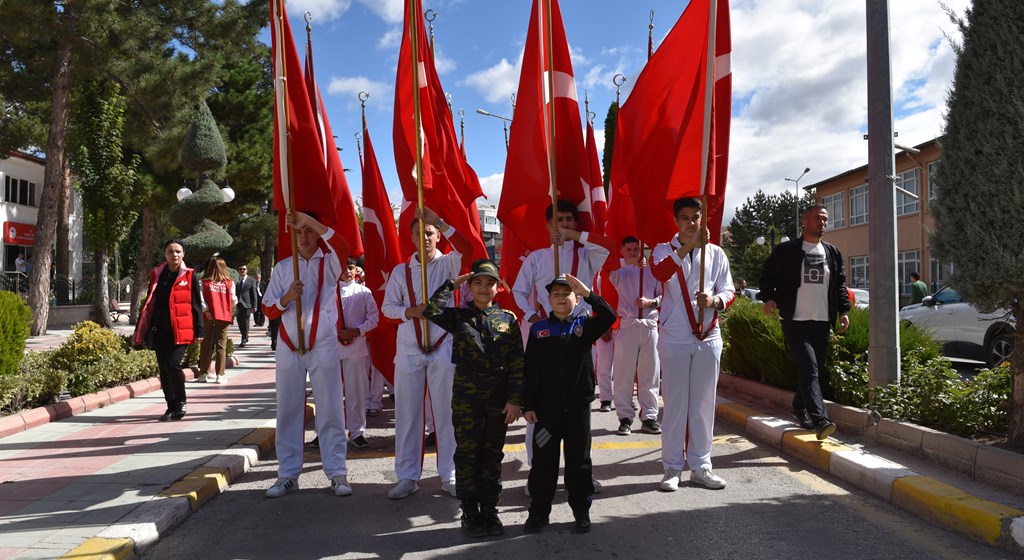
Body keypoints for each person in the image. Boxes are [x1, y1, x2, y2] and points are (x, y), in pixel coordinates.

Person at [511, 199, 614, 478]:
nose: (565, 224)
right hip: (546, 335)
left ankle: (581, 471)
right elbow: (518, 291)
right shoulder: (537, 257)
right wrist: (532, 314)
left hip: (579, 334)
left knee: (579, 405)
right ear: (548, 226)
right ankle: (538, 470)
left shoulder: (588, 254)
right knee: (540, 403)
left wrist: (572, 237)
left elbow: (607, 245)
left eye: (569, 220)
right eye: (559, 221)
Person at [423, 258, 524, 537]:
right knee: (468, 455)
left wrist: (515, 400)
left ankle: (490, 510)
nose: (483, 288)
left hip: (498, 400)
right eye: (477, 283)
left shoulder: (508, 319)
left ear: (497, 288)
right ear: (469, 287)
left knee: (492, 455)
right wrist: (450, 285)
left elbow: (517, 362)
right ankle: (470, 512)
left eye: (489, 283)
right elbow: (431, 310)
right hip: (467, 399)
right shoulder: (457, 316)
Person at [261, 211, 355, 498]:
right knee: (288, 410)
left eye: (309, 231)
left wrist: (310, 220)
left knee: (329, 409)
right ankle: (288, 474)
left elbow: (343, 246)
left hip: (323, 344)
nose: (303, 237)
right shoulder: (283, 267)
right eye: (299, 232)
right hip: (289, 346)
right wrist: (287, 297)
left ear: (316, 233)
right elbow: (268, 308)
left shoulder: (328, 264)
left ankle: (337, 472)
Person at [381, 207, 472, 500]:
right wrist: (411, 311)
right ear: (411, 237)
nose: (426, 238)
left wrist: (441, 221)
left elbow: (467, 247)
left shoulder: (448, 265)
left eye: (430, 233)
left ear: (437, 236)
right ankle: (407, 476)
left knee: (446, 414)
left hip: (443, 346)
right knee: (408, 415)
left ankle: (450, 474)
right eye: (419, 234)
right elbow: (387, 308)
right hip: (409, 350)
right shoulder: (400, 271)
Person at [651, 197, 735, 492]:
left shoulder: (716, 253)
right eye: (684, 217)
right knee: (675, 404)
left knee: (703, 404)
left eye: (696, 217)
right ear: (676, 221)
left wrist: (715, 301)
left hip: (708, 335)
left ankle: (701, 466)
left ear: (703, 219)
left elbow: (730, 290)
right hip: (674, 337)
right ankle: (672, 466)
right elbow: (660, 273)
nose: (690, 223)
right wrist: (689, 246)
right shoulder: (663, 250)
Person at [522, 274, 615, 534]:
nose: (561, 298)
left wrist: (588, 292)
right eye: (556, 294)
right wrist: (528, 404)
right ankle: (539, 514)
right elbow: (530, 370)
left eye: (567, 293)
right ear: (548, 300)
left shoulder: (584, 327)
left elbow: (609, 315)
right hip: (545, 413)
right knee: (543, 464)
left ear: (575, 298)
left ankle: (581, 512)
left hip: (577, 410)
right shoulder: (539, 330)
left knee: (579, 462)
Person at [759, 203, 850, 440]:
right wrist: (769, 298)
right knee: (809, 368)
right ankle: (821, 420)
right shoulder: (787, 250)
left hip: (821, 320)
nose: (822, 222)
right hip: (794, 319)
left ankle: (799, 407)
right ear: (805, 221)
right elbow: (768, 275)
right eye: (818, 218)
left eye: (825, 219)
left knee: (812, 370)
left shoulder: (832, 252)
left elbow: (839, 285)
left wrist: (843, 311)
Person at [133, 239, 204, 421]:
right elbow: (150, 302)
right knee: (163, 370)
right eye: (171, 251)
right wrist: (143, 328)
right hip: (160, 330)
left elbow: (196, 303)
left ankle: (181, 402)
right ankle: (170, 405)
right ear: (165, 254)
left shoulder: (189, 275)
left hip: (181, 329)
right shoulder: (157, 274)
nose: (175, 255)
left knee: (172, 365)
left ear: (183, 254)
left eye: (178, 252)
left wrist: (199, 330)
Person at [605, 236, 662, 436]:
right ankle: (625, 417)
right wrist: (629, 262)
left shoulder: (652, 271)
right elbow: (607, 267)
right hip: (627, 326)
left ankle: (649, 417)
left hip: (649, 326)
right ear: (622, 251)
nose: (632, 253)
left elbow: (664, 294)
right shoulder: (619, 271)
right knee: (623, 374)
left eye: (635, 250)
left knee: (650, 374)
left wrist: (651, 302)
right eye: (628, 250)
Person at [337, 257, 379, 449]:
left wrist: (358, 330)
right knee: (329, 392)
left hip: (356, 347)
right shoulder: (328, 292)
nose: (347, 271)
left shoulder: (364, 292)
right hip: (331, 348)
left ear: (356, 271)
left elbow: (374, 318)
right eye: (344, 268)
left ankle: (357, 431)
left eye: (351, 268)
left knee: (356, 392)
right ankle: (324, 432)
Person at [197, 258, 236, 384]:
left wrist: (207, 310)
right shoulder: (229, 283)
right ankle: (220, 374)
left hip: (208, 317)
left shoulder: (203, 283)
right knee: (221, 346)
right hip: (223, 316)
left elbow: (201, 299)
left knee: (206, 345)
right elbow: (234, 299)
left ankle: (203, 373)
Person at [235, 264, 258, 348]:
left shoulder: (251, 281)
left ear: (246, 270)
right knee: (239, 322)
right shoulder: (236, 280)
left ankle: (244, 339)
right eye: (240, 269)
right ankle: (245, 335)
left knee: (245, 322)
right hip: (237, 304)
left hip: (247, 304)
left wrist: (254, 305)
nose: (242, 271)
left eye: (244, 269)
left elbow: (254, 293)